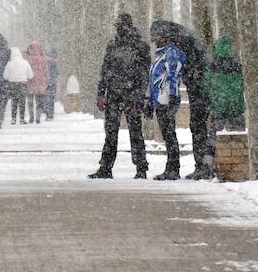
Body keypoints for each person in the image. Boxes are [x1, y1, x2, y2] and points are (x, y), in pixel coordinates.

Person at [151, 18, 214, 179]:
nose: (156, 43)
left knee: (197, 126)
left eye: (157, 38)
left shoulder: (178, 45)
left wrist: (173, 94)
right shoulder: (183, 39)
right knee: (197, 126)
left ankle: (201, 167)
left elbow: (174, 72)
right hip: (198, 85)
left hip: (199, 87)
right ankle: (200, 165)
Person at [90, 14, 150, 179]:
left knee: (135, 133)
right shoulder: (113, 45)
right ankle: (106, 168)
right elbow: (105, 70)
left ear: (129, 26)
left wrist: (139, 96)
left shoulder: (140, 46)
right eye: (117, 26)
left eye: (122, 26)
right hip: (114, 95)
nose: (119, 29)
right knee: (110, 133)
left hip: (132, 96)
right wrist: (101, 94)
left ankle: (141, 168)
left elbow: (144, 74)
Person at [147, 23, 186, 180]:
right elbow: (153, 79)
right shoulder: (161, 55)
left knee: (170, 135)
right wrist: (150, 100)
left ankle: (173, 168)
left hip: (167, 100)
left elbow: (173, 76)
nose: (155, 39)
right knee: (167, 134)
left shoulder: (171, 54)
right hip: (160, 100)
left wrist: (172, 96)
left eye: (157, 36)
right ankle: (170, 167)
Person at [208, 36, 246, 133]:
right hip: (236, 106)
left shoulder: (211, 68)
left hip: (218, 107)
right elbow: (243, 85)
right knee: (240, 137)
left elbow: (205, 86)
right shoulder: (238, 67)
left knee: (215, 137)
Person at [3, 46, 31, 124]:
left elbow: (5, 76)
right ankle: (22, 119)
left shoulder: (9, 64)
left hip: (13, 84)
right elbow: (30, 75)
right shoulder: (25, 63)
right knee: (22, 101)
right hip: (22, 83)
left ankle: (13, 119)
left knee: (14, 101)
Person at [24, 41, 49, 123]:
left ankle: (31, 117)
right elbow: (46, 72)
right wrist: (47, 81)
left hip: (30, 82)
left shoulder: (27, 59)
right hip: (40, 83)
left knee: (30, 101)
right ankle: (38, 117)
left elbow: (25, 72)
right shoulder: (43, 59)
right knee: (39, 101)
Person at [43, 47, 60, 120]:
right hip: (52, 82)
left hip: (45, 82)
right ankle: (51, 113)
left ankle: (46, 112)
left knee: (46, 97)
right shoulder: (54, 61)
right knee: (52, 98)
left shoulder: (43, 61)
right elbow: (57, 72)